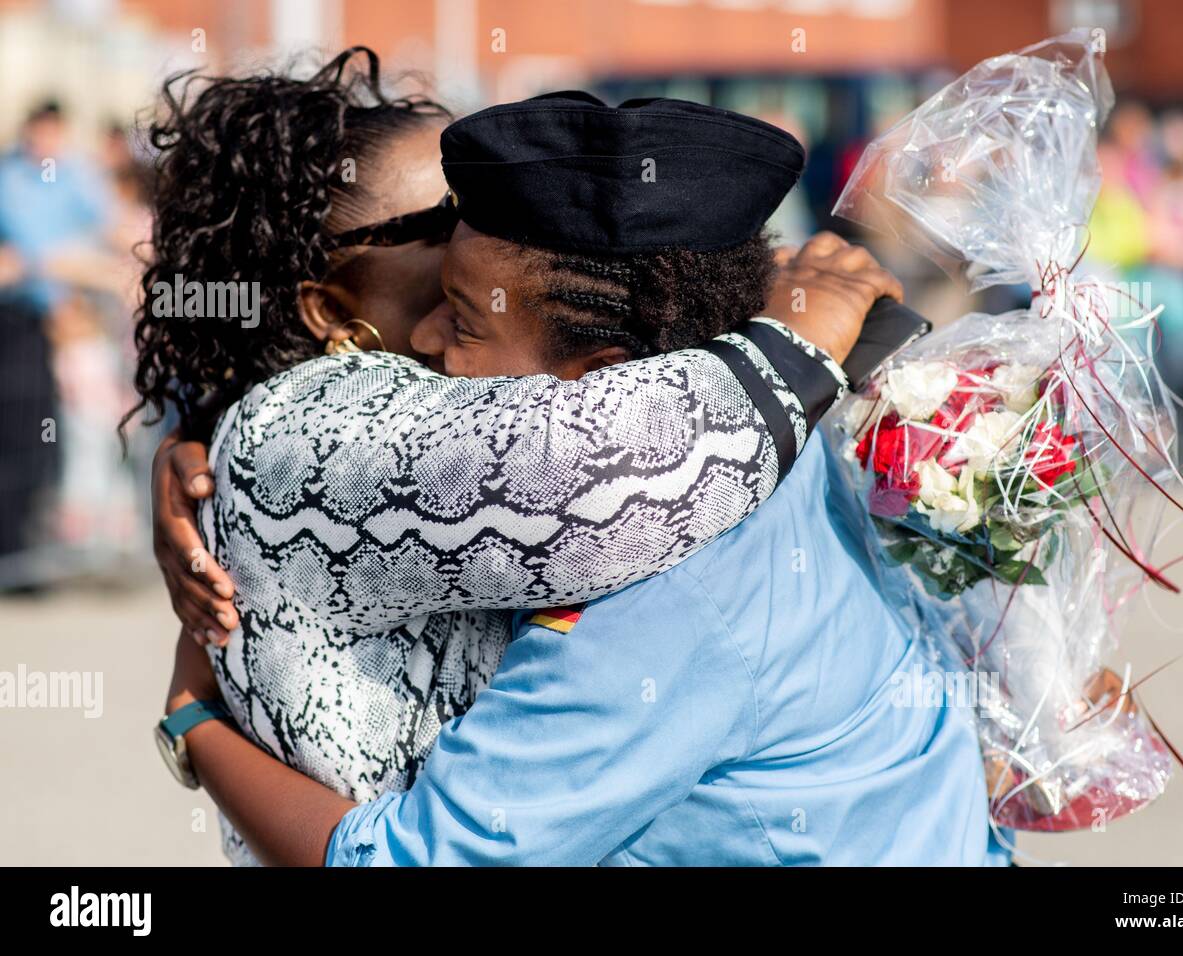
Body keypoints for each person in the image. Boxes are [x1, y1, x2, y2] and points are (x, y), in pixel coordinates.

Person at [160, 93, 1001, 866]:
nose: (425, 336)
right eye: (437, 218)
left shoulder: (649, 552)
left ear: (603, 382)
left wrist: (191, 720)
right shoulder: (752, 439)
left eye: (463, 318)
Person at [0, 100, 111, 567]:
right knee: (23, 433)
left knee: (80, 433)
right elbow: (28, 253)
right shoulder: (11, 179)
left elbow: (103, 227)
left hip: (72, 321)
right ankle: (18, 545)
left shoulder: (76, 177)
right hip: (23, 323)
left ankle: (65, 538)